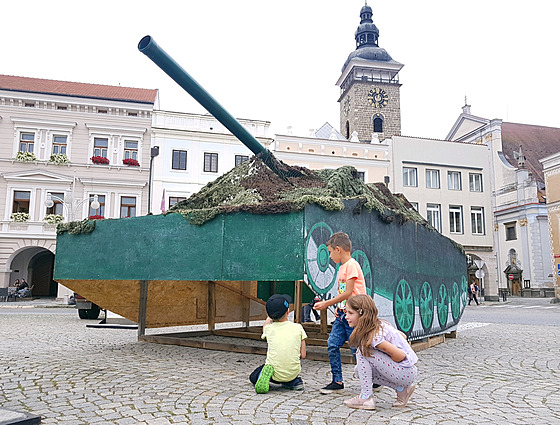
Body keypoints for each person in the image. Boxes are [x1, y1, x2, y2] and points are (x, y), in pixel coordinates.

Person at [313, 231, 367, 394]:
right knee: (332, 344)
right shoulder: (343, 267)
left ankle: (371, 378)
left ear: (338, 249)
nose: (329, 256)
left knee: (356, 349)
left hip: (354, 316)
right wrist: (338, 308)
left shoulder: (351, 265)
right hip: (343, 314)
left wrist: (326, 304)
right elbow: (344, 293)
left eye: (330, 252)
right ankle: (337, 380)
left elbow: (348, 292)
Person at [343, 294, 418, 410]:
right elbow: (403, 336)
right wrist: (382, 361)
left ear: (362, 314)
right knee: (360, 371)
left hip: (405, 372)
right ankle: (402, 390)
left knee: (362, 351)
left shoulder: (374, 337)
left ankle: (366, 397)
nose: (346, 316)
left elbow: (400, 355)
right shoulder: (380, 324)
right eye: (346, 312)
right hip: (407, 371)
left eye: (350, 313)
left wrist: (384, 359)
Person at [250, 294, 307, 394]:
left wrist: (269, 318)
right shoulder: (298, 328)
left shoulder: (269, 329)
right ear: (288, 311)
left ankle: (262, 378)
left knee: (253, 375)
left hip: (274, 375)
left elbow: (264, 328)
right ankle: (295, 382)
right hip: (292, 373)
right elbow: (303, 355)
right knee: (290, 373)